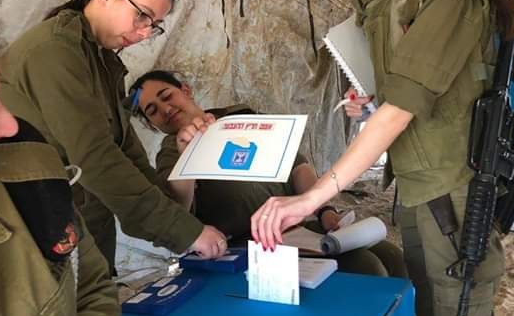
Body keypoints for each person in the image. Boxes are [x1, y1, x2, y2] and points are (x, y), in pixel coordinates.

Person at [251, 0, 514, 316]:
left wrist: (312, 198)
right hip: (419, 185)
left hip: (452, 185)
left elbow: (403, 110)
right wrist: (373, 101)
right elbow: (410, 92)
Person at [0, 0, 227, 275]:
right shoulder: (54, 52)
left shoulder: (102, 61)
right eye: (142, 15)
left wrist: (181, 219)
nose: (145, 32)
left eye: (154, 24)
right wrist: (185, 231)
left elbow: (126, 153)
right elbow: (94, 156)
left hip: (85, 234)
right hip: (40, 237)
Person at [127, 69, 406, 278]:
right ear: (152, 124)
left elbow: (297, 167)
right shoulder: (171, 152)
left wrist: (324, 210)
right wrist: (187, 157)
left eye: (167, 96)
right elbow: (178, 206)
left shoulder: (238, 117)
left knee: (392, 257)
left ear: (185, 90)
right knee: (367, 268)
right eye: (153, 111)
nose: (166, 109)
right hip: (249, 243)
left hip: (298, 226)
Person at [0, 21, 121, 316]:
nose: (9, 126)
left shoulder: (29, 165)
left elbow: (91, 287)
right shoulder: (51, 49)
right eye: (142, 15)